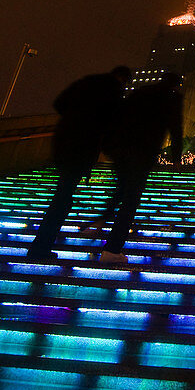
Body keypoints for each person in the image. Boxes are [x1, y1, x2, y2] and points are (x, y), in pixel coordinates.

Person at [27, 65, 132, 258]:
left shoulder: (86, 81)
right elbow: (112, 124)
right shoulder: (114, 92)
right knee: (63, 199)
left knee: (62, 196)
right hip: (82, 147)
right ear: (125, 80)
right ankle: (40, 248)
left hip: (63, 142)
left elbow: (59, 103)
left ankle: (40, 246)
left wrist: (73, 120)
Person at [99, 72, 183, 264]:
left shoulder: (142, 92)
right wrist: (176, 157)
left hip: (122, 148)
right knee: (130, 200)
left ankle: (101, 220)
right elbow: (176, 127)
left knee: (121, 190)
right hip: (142, 152)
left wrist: (109, 144)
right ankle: (112, 249)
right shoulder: (172, 98)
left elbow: (119, 114)